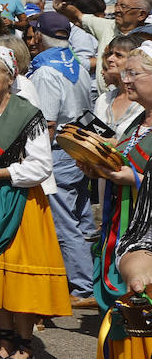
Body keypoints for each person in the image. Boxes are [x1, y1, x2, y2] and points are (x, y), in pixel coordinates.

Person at [0, 47, 71, 359]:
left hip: (20, 199)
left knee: (17, 276)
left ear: (10, 78)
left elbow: (41, 165)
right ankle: (3, 338)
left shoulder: (26, 114)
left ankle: (24, 343)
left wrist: (3, 173)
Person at [26, 10, 97, 308]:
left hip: (57, 151)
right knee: (82, 218)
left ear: (41, 35)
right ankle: (92, 279)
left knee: (63, 221)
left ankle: (82, 287)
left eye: (32, 34)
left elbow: (47, 123)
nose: (29, 39)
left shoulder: (45, 72)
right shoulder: (77, 66)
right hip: (77, 146)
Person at [87, 42, 152, 355]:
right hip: (117, 226)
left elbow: (137, 172)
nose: (126, 80)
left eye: (134, 74)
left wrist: (137, 179)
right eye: (125, 73)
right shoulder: (138, 122)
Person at [94, 35, 146, 139]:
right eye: (110, 54)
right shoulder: (103, 99)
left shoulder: (146, 104)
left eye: (118, 55)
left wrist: (116, 146)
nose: (109, 59)